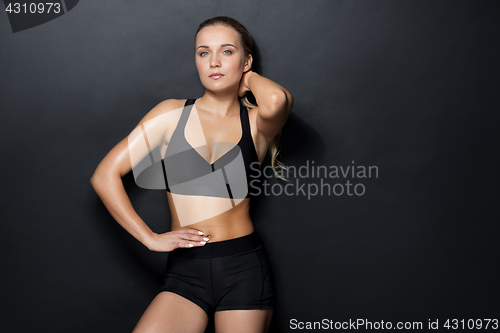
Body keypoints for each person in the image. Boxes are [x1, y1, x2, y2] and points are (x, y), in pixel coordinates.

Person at [90, 16, 293, 333]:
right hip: (186, 272)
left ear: (246, 60)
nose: (214, 62)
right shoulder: (171, 114)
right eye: (203, 52)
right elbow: (104, 176)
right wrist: (150, 238)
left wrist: (247, 78)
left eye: (227, 52)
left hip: (244, 268)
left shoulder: (255, 123)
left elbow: (277, 100)